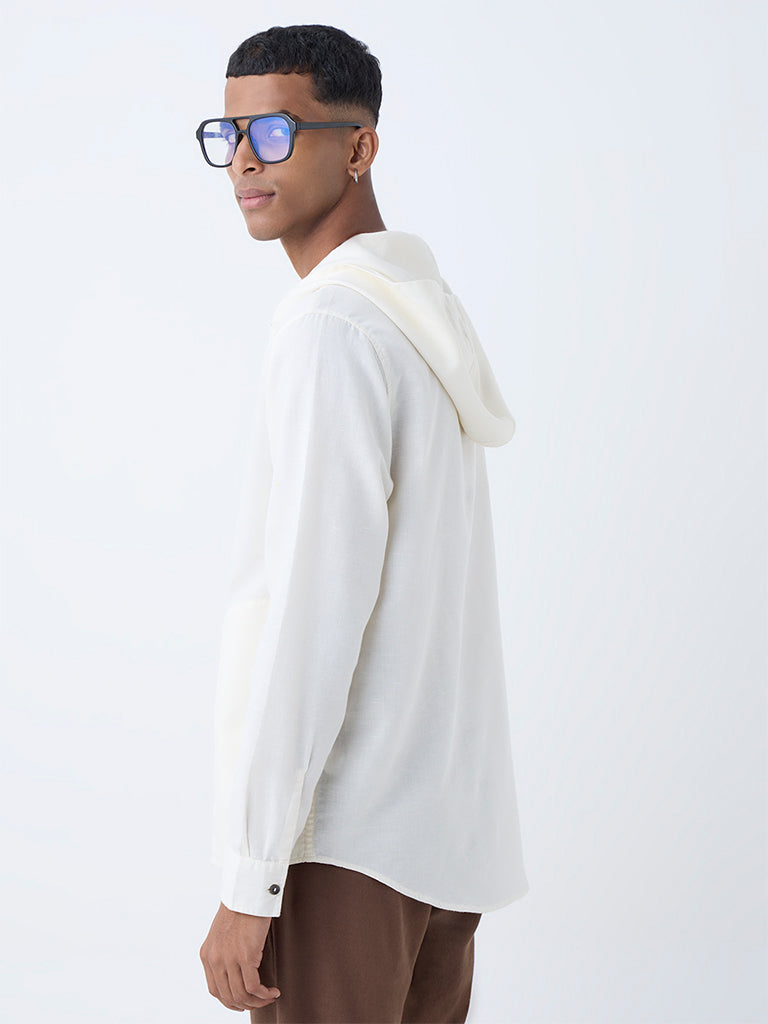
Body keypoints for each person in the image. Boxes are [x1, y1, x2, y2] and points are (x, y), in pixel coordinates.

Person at [196, 23, 529, 1023]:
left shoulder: (333, 329)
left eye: (275, 130)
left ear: (359, 146)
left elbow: (312, 615)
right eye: (227, 133)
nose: (244, 160)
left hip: (342, 847)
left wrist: (252, 874)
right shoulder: (416, 319)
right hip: (440, 848)